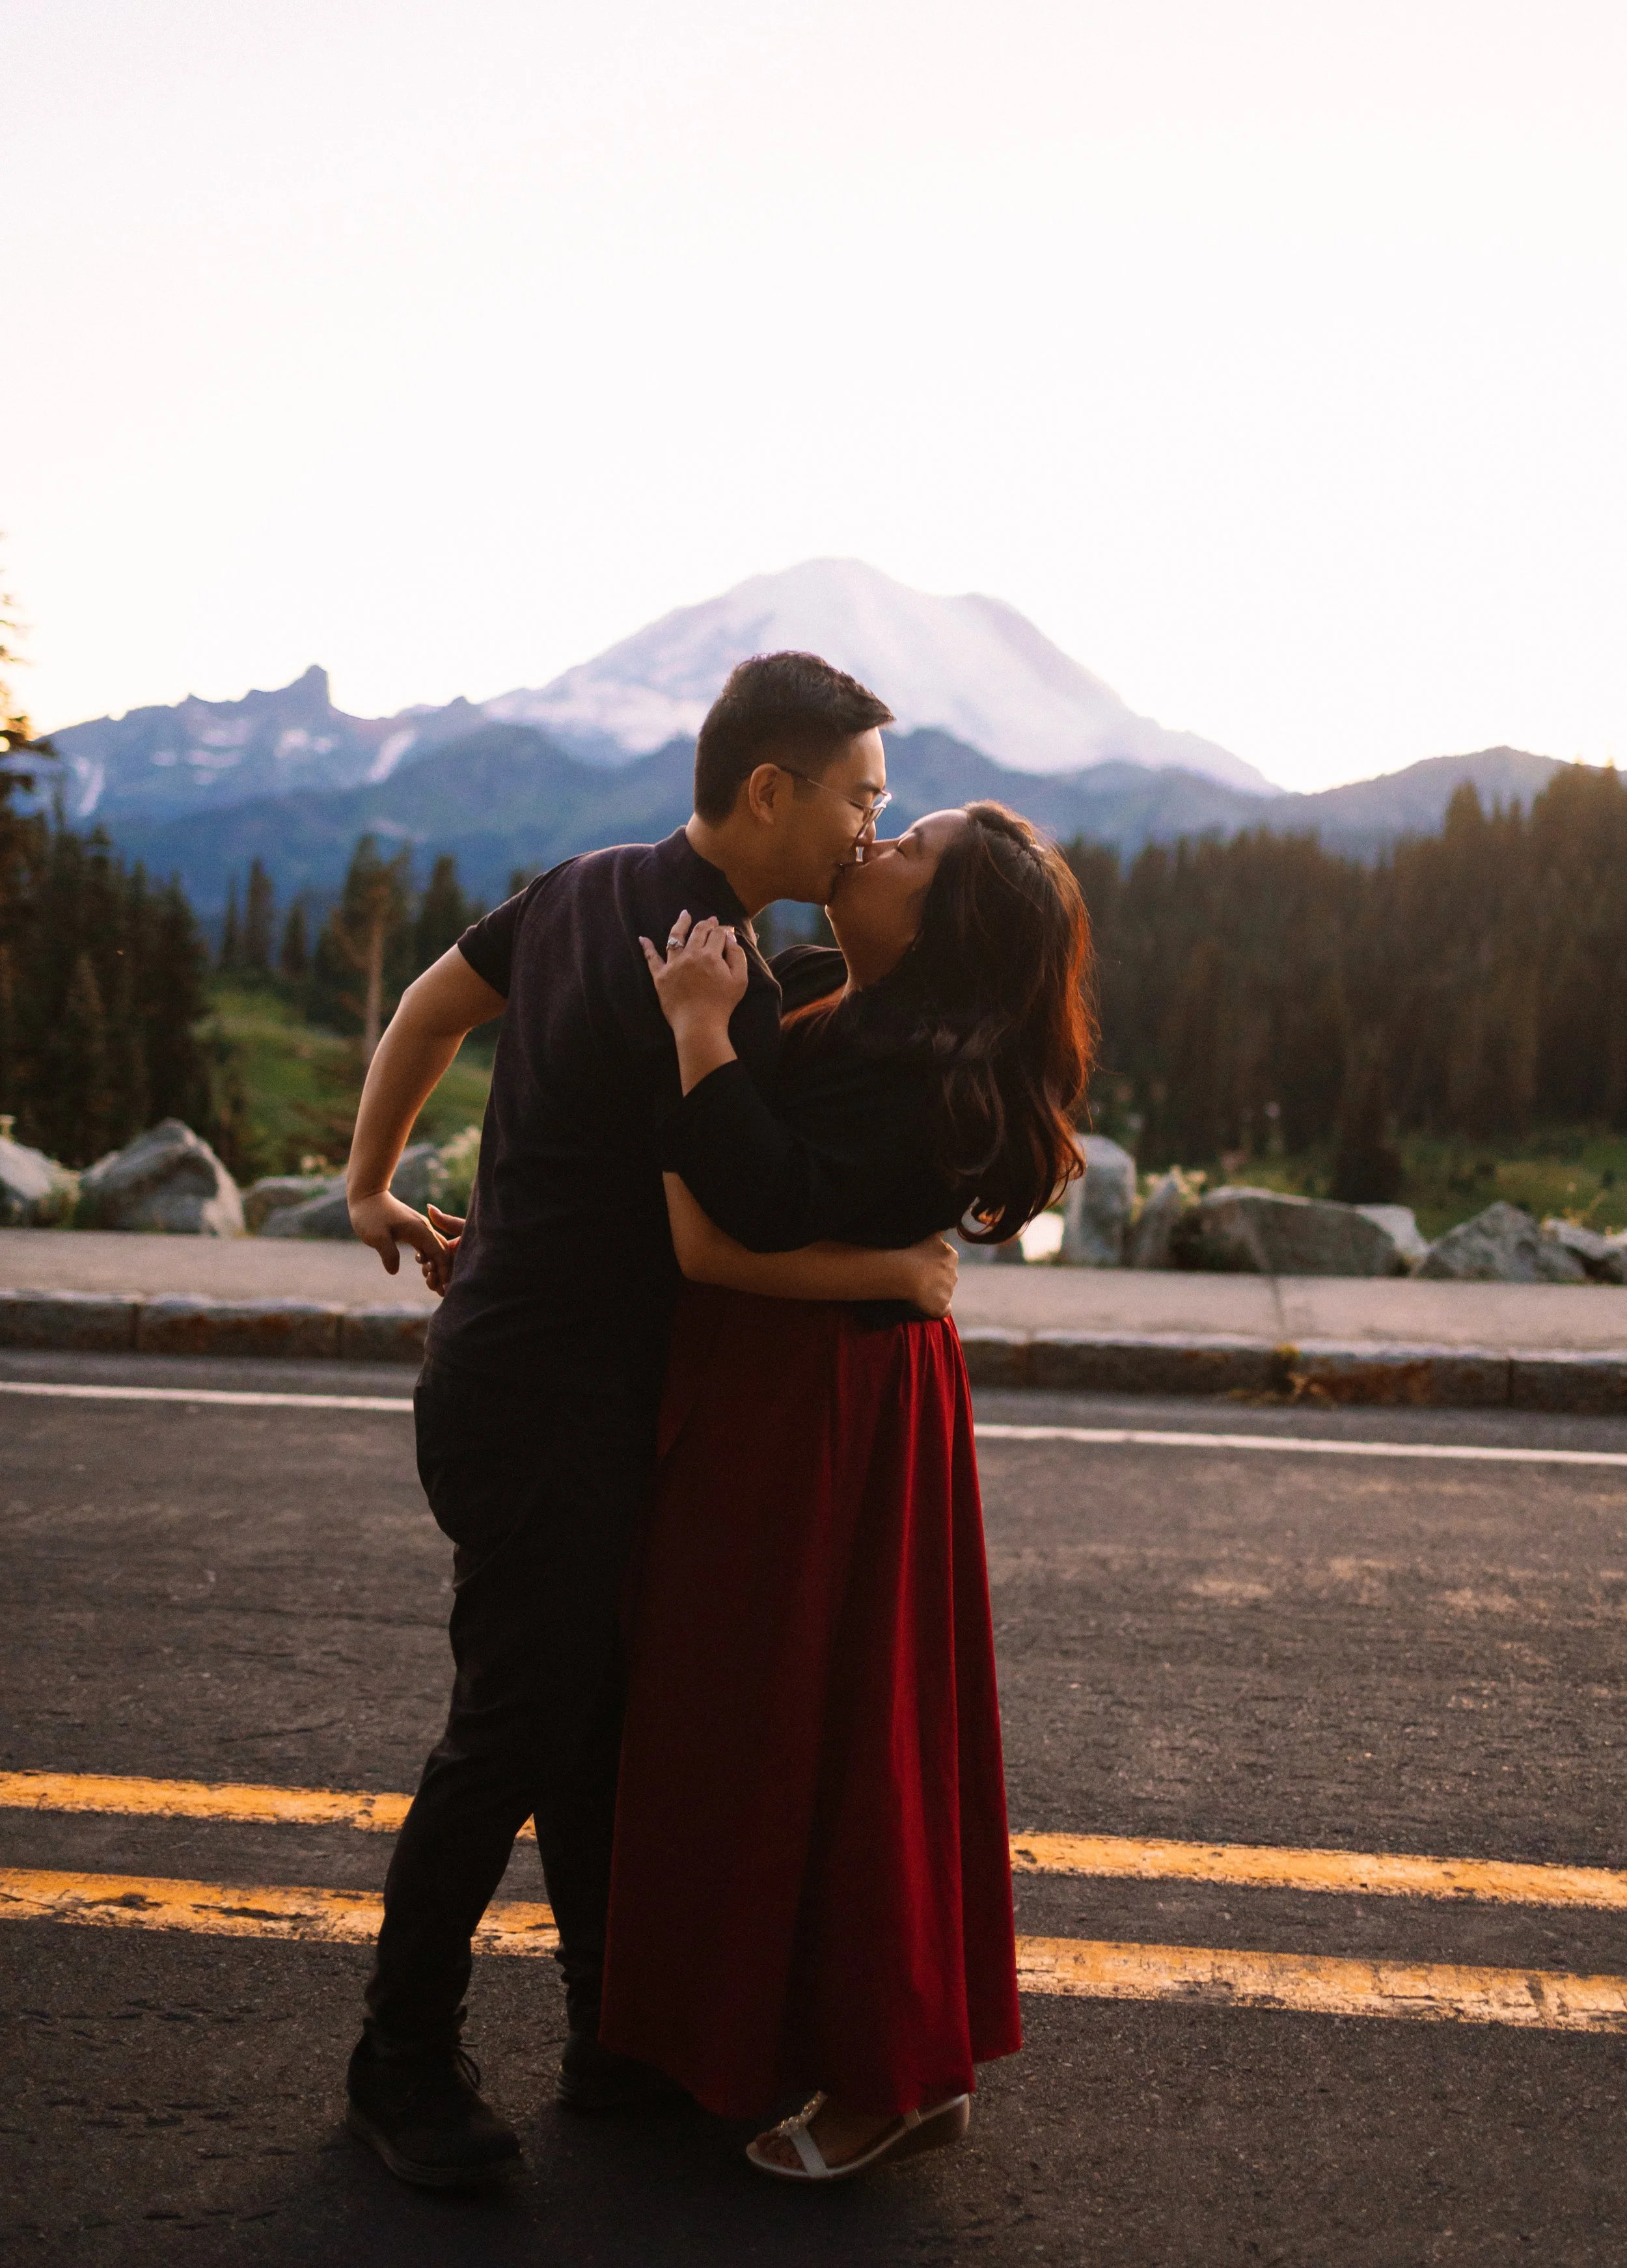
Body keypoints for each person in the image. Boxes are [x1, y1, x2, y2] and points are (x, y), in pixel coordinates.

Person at [340, 652, 964, 2191]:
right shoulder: (708, 970)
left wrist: (368, 1182)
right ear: (770, 790)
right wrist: (901, 1262)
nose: (867, 837)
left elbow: (428, 1006)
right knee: (516, 1728)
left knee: (590, 1716)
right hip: (549, 1397)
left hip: (516, 1377)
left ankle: (609, 2038)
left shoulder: (587, 887)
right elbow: (721, 1227)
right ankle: (400, 2060)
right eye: (858, 800)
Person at [597, 800, 1096, 2182]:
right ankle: (785, 2036)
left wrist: (698, 1033)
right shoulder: (838, 1003)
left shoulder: (927, 1074)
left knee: (837, 1720)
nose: (871, 850)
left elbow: (748, 1205)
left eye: (908, 850)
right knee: (770, 1713)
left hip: (826, 1407)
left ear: (947, 923)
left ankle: (892, 2075)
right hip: (804, 1381)